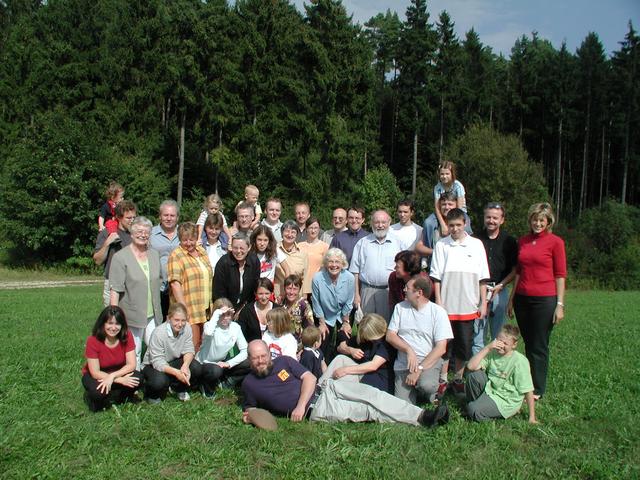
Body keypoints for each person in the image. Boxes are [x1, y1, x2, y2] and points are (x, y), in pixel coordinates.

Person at [242, 340, 449, 427]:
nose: (261, 361)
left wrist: (298, 405)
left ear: (269, 353)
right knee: (367, 410)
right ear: (249, 359)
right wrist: (250, 418)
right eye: (255, 358)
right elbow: (250, 411)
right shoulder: (250, 384)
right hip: (318, 409)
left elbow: (310, 378)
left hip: (326, 388)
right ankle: (420, 420)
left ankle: (421, 413)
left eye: (263, 356)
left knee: (371, 394)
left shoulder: (283, 361)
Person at [507, 202, 566, 400]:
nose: (538, 223)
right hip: (523, 299)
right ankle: (527, 383)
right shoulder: (523, 241)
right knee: (528, 343)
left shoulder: (556, 242)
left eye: (542, 220)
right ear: (530, 220)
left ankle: (538, 389)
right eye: (535, 219)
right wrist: (511, 299)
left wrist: (559, 305)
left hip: (545, 300)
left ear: (549, 222)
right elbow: (519, 272)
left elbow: (560, 275)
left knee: (539, 345)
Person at [430, 208, 489, 393]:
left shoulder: (477, 244)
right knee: (445, 346)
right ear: (447, 225)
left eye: (458, 225)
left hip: (468, 306)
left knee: (464, 345)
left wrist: (483, 302)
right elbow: (436, 277)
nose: (455, 229)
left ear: (465, 224)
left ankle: (458, 379)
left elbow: (482, 278)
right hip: (446, 305)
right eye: (451, 225)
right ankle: (442, 379)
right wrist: (438, 301)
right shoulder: (441, 245)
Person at [386, 276, 453, 404]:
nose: (404, 290)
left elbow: (441, 348)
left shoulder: (438, 312)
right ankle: (417, 391)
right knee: (402, 405)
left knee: (426, 385)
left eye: (408, 288)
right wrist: (408, 350)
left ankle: (433, 391)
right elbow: (390, 336)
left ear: (419, 293)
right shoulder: (400, 308)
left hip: (428, 363)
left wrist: (420, 369)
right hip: (403, 365)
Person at [109, 216, 163, 366]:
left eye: (146, 232)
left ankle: (150, 375)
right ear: (131, 234)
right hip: (131, 315)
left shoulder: (154, 255)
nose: (143, 234)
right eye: (139, 231)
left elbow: (159, 281)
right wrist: (113, 316)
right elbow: (115, 290)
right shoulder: (121, 257)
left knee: (156, 348)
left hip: (152, 314)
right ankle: (133, 382)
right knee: (134, 351)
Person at [465, 325, 537, 423]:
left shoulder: (519, 361)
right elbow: (471, 366)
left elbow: (528, 390)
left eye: (505, 343)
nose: (501, 345)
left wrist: (532, 417)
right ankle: (479, 407)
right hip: (491, 391)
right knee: (473, 376)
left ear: (514, 345)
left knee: (472, 409)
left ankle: (483, 411)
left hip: (505, 400)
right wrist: (488, 348)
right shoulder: (493, 353)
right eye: (499, 341)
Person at [473, 202, 518, 354]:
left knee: (498, 334)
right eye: (488, 217)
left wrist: (502, 285)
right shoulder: (474, 239)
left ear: (502, 220)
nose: (491, 220)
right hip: (478, 291)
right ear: (484, 218)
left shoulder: (509, 241)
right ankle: (477, 371)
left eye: (495, 218)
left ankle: (495, 367)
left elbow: (515, 269)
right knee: (477, 333)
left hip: (500, 290)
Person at [82, 306, 143, 411]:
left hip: (118, 371)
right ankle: (95, 400)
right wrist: (120, 380)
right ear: (103, 323)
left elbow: (131, 364)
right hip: (97, 375)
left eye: (117, 324)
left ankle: (123, 397)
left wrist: (113, 377)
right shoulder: (93, 341)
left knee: (138, 378)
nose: (114, 328)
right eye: (110, 323)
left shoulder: (127, 335)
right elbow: (95, 372)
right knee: (98, 393)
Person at [142, 302, 202, 403]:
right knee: (159, 381)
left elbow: (189, 349)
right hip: (152, 365)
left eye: (183, 320)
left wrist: (185, 366)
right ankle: (151, 394)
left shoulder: (187, 328)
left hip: (172, 361)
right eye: (176, 320)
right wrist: (176, 373)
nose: (180, 324)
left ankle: (177, 388)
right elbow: (157, 361)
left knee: (196, 367)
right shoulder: (159, 333)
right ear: (168, 318)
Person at [167, 222, 213, 352]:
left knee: (205, 345)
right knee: (193, 346)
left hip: (205, 307)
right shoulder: (176, 255)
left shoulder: (202, 251)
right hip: (190, 308)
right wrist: (184, 309)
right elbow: (175, 284)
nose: (188, 243)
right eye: (184, 240)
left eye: (191, 239)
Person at [350, 210, 400, 321]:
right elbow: (355, 271)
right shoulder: (362, 243)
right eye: (377, 222)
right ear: (372, 223)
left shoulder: (397, 244)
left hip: (388, 292)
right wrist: (356, 295)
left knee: (386, 327)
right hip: (366, 291)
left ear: (389, 223)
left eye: (383, 222)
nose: (380, 225)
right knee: (366, 328)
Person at [327, 313, 395, 393]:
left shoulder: (385, 343)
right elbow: (340, 348)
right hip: (361, 373)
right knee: (340, 359)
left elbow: (373, 366)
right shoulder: (366, 340)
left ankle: (326, 389)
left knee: (341, 379)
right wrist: (350, 350)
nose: (365, 337)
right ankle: (320, 387)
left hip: (377, 381)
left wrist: (345, 370)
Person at [196, 298, 250, 398]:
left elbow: (245, 350)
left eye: (228, 314)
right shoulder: (209, 326)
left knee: (250, 363)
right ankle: (206, 388)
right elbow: (208, 333)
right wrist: (217, 313)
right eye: (222, 315)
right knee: (216, 371)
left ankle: (226, 383)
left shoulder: (235, 327)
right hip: (204, 363)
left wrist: (229, 363)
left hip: (222, 363)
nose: (225, 318)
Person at [311, 248, 355, 362]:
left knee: (345, 339)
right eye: (331, 261)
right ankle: (321, 368)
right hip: (324, 315)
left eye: (337, 262)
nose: (334, 265)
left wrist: (346, 322)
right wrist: (321, 323)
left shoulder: (349, 278)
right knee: (323, 340)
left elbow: (349, 301)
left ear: (342, 264)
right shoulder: (317, 278)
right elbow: (316, 302)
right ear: (326, 263)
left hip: (342, 315)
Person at [93, 200, 137, 306]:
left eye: (134, 217)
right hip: (112, 283)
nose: (132, 221)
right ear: (118, 217)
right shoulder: (107, 233)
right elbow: (97, 261)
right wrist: (107, 243)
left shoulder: (137, 234)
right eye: (128, 218)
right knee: (112, 320)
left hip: (133, 282)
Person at [415, 191, 471, 269]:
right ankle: (426, 258)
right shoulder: (433, 223)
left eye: (450, 204)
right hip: (436, 265)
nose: (447, 207)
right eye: (444, 204)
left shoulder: (463, 221)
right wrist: (438, 251)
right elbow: (419, 247)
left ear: (456, 205)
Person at [213, 232, 261, 311]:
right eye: (235, 248)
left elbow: (254, 289)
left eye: (242, 248)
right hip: (225, 308)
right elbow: (219, 293)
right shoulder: (223, 263)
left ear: (249, 248)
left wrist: (243, 309)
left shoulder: (254, 261)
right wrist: (228, 310)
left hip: (246, 307)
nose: (238, 251)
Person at [150, 199, 180, 320]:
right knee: (158, 321)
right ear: (160, 216)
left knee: (177, 321)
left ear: (177, 217)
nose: (169, 218)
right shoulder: (150, 234)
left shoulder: (184, 233)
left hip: (179, 287)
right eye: (165, 215)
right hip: (158, 287)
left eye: (172, 215)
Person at [430, 161, 467, 236]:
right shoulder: (437, 188)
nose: (444, 176)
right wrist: (443, 224)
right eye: (442, 174)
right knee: (428, 223)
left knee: (467, 226)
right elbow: (437, 207)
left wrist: (453, 222)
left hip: (459, 213)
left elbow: (459, 208)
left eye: (447, 174)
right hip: (442, 213)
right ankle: (428, 246)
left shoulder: (458, 186)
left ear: (452, 174)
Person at [237, 278, 279, 343]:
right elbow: (240, 334)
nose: (264, 297)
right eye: (260, 294)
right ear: (255, 293)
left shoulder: (278, 310)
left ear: (271, 293)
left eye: (267, 293)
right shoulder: (247, 311)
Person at [274, 220, 308, 300]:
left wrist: (304, 295)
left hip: (296, 297)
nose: (289, 235)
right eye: (287, 231)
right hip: (278, 296)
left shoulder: (302, 254)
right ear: (282, 233)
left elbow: (305, 277)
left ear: (297, 235)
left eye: (293, 232)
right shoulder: (274, 250)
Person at [298, 217, 329, 295]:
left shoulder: (325, 246)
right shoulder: (299, 246)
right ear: (306, 229)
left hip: (319, 286)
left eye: (316, 228)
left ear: (319, 229)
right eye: (311, 228)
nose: (313, 230)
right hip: (302, 286)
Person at [281, 274, 314, 341]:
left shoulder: (304, 305)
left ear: (299, 290)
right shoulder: (280, 303)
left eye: (295, 289)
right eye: (289, 288)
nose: (291, 292)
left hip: (299, 343)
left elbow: (309, 328)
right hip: (281, 342)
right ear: (284, 288)